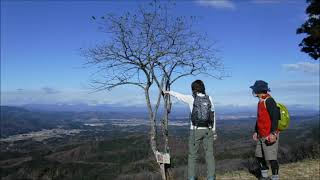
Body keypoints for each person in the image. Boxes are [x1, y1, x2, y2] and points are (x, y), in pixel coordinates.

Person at [164, 80, 217, 180]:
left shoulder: (191, 98)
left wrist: (168, 92)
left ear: (193, 89)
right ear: (203, 88)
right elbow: (213, 115)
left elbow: (179, 96)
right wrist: (214, 131)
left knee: (192, 156)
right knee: (209, 155)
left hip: (195, 130)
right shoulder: (209, 98)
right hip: (208, 130)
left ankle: (191, 177)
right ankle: (211, 177)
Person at [250, 80, 280, 180]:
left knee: (271, 158)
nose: (253, 91)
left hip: (269, 134)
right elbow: (259, 118)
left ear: (259, 90)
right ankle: (264, 177)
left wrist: (273, 133)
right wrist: (256, 131)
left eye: (254, 89)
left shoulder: (269, 100)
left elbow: (275, 117)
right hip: (260, 134)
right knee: (259, 156)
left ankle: (275, 177)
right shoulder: (260, 101)